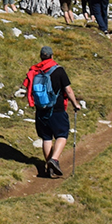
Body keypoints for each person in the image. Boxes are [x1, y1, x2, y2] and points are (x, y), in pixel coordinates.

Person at [23, 45, 81, 178]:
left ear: (41, 57)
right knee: (62, 134)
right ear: (52, 56)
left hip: (41, 110)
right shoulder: (59, 70)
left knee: (46, 137)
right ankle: (54, 160)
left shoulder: (35, 71)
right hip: (57, 109)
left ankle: (48, 165)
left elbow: (28, 87)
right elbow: (68, 90)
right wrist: (75, 104)